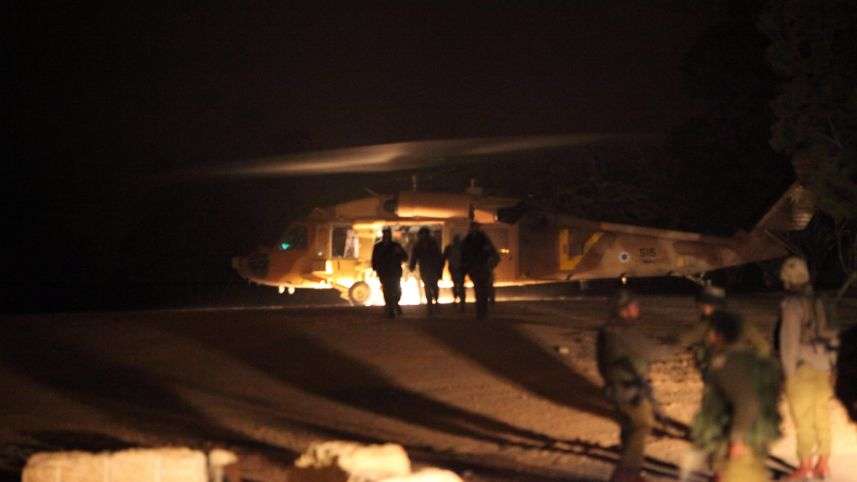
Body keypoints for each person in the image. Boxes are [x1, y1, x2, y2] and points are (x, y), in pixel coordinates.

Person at [689, 311, 782, 482]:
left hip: (738, 440)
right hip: (752, 437)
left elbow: (747, 403)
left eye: (711, 332)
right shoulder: (751, 359)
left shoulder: (729, 362)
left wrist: (736, 440)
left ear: (719, 335)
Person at [597, 289, 674, 482]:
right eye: (633, 305)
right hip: (628, 388)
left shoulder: (608, 330)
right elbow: (651, 351)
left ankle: (634, 474)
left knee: (629, 428)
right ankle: (625, 474)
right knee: (642, 426)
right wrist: (673, 344)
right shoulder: (624, 331)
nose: (637, 308)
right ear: (623, 309)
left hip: (617, 387)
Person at [778, 257, 838, 480]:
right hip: (823, 367)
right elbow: (831, 335)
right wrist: (831, 365)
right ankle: (823, 463)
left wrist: (788, 374)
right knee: (821, 416)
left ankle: (804, 466)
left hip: (801, 369)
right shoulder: (820, 302)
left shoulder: (792, 304)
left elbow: (788, 343)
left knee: (803, 420)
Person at [678, 285, 770, 373]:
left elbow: (685, 340)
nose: (702, 307)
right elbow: (763, 346)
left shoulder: (709, 321)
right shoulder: (739, 319)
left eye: (704, 304)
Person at [461, 222, 499, 319]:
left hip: (483, 267)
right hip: (475, 269)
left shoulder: (482, 239)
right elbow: (463, 255)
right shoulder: (469, 240)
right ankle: (480, 312)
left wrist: (490, 265)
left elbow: (493, 254)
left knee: (482, 290)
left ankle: (482, 312)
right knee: (479, 290)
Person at [371, 227, 408, 318]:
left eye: (388, 234)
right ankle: (390, 308)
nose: (387, 236)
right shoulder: (378, 246)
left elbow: (405, 257)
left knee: (396, 290)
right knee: (387, 290)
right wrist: (375, 268)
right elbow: (374, 259)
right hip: (384, 272)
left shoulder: (396, 246)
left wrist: (399, 253)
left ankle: (395, 304)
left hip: (394, 271)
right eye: (385, 234)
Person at [409, 226, 443, 315]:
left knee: (433, 286)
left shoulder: (432, 243)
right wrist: (412, 265)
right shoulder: (419, 244)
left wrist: (440, 267)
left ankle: (435, 301)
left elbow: (438, 256)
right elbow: (414, 256)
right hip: (425, 268)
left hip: (432, 267)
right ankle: (430, 304)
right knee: (428, 286)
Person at [443, 234, 466, 311]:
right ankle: (460, 301)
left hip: (455, 268)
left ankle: (457, 298)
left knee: (456, 284)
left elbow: (444, 257)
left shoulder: (450, 248)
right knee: (460, 284)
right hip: (459, 268)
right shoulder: (462, 248)